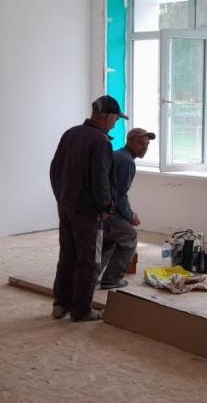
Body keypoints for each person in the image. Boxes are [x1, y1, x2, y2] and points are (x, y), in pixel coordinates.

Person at [49, 95, 127, 322]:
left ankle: (60, 304)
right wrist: (106, 207)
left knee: (67, 255)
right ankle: (81, 311)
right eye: (116, 120)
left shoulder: (70, 133)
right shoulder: (101, 141)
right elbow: (101, 180)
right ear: (108, 117)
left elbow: (54, 169)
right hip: (88, 212)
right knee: (89, 260)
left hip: (66, 206)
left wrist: (61, 198)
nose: (115, 124)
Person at [98, 128, 155, 290]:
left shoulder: (117, 155)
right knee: (129, 237)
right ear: (129, 141)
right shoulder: (126, 161)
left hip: (100, 210)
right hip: (109, 211)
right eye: (140, 143)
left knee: (109, 241)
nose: (144, 148)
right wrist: (130, 216)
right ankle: (112, 279)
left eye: (147, 145)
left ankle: (91, 278)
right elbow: (119, 195)